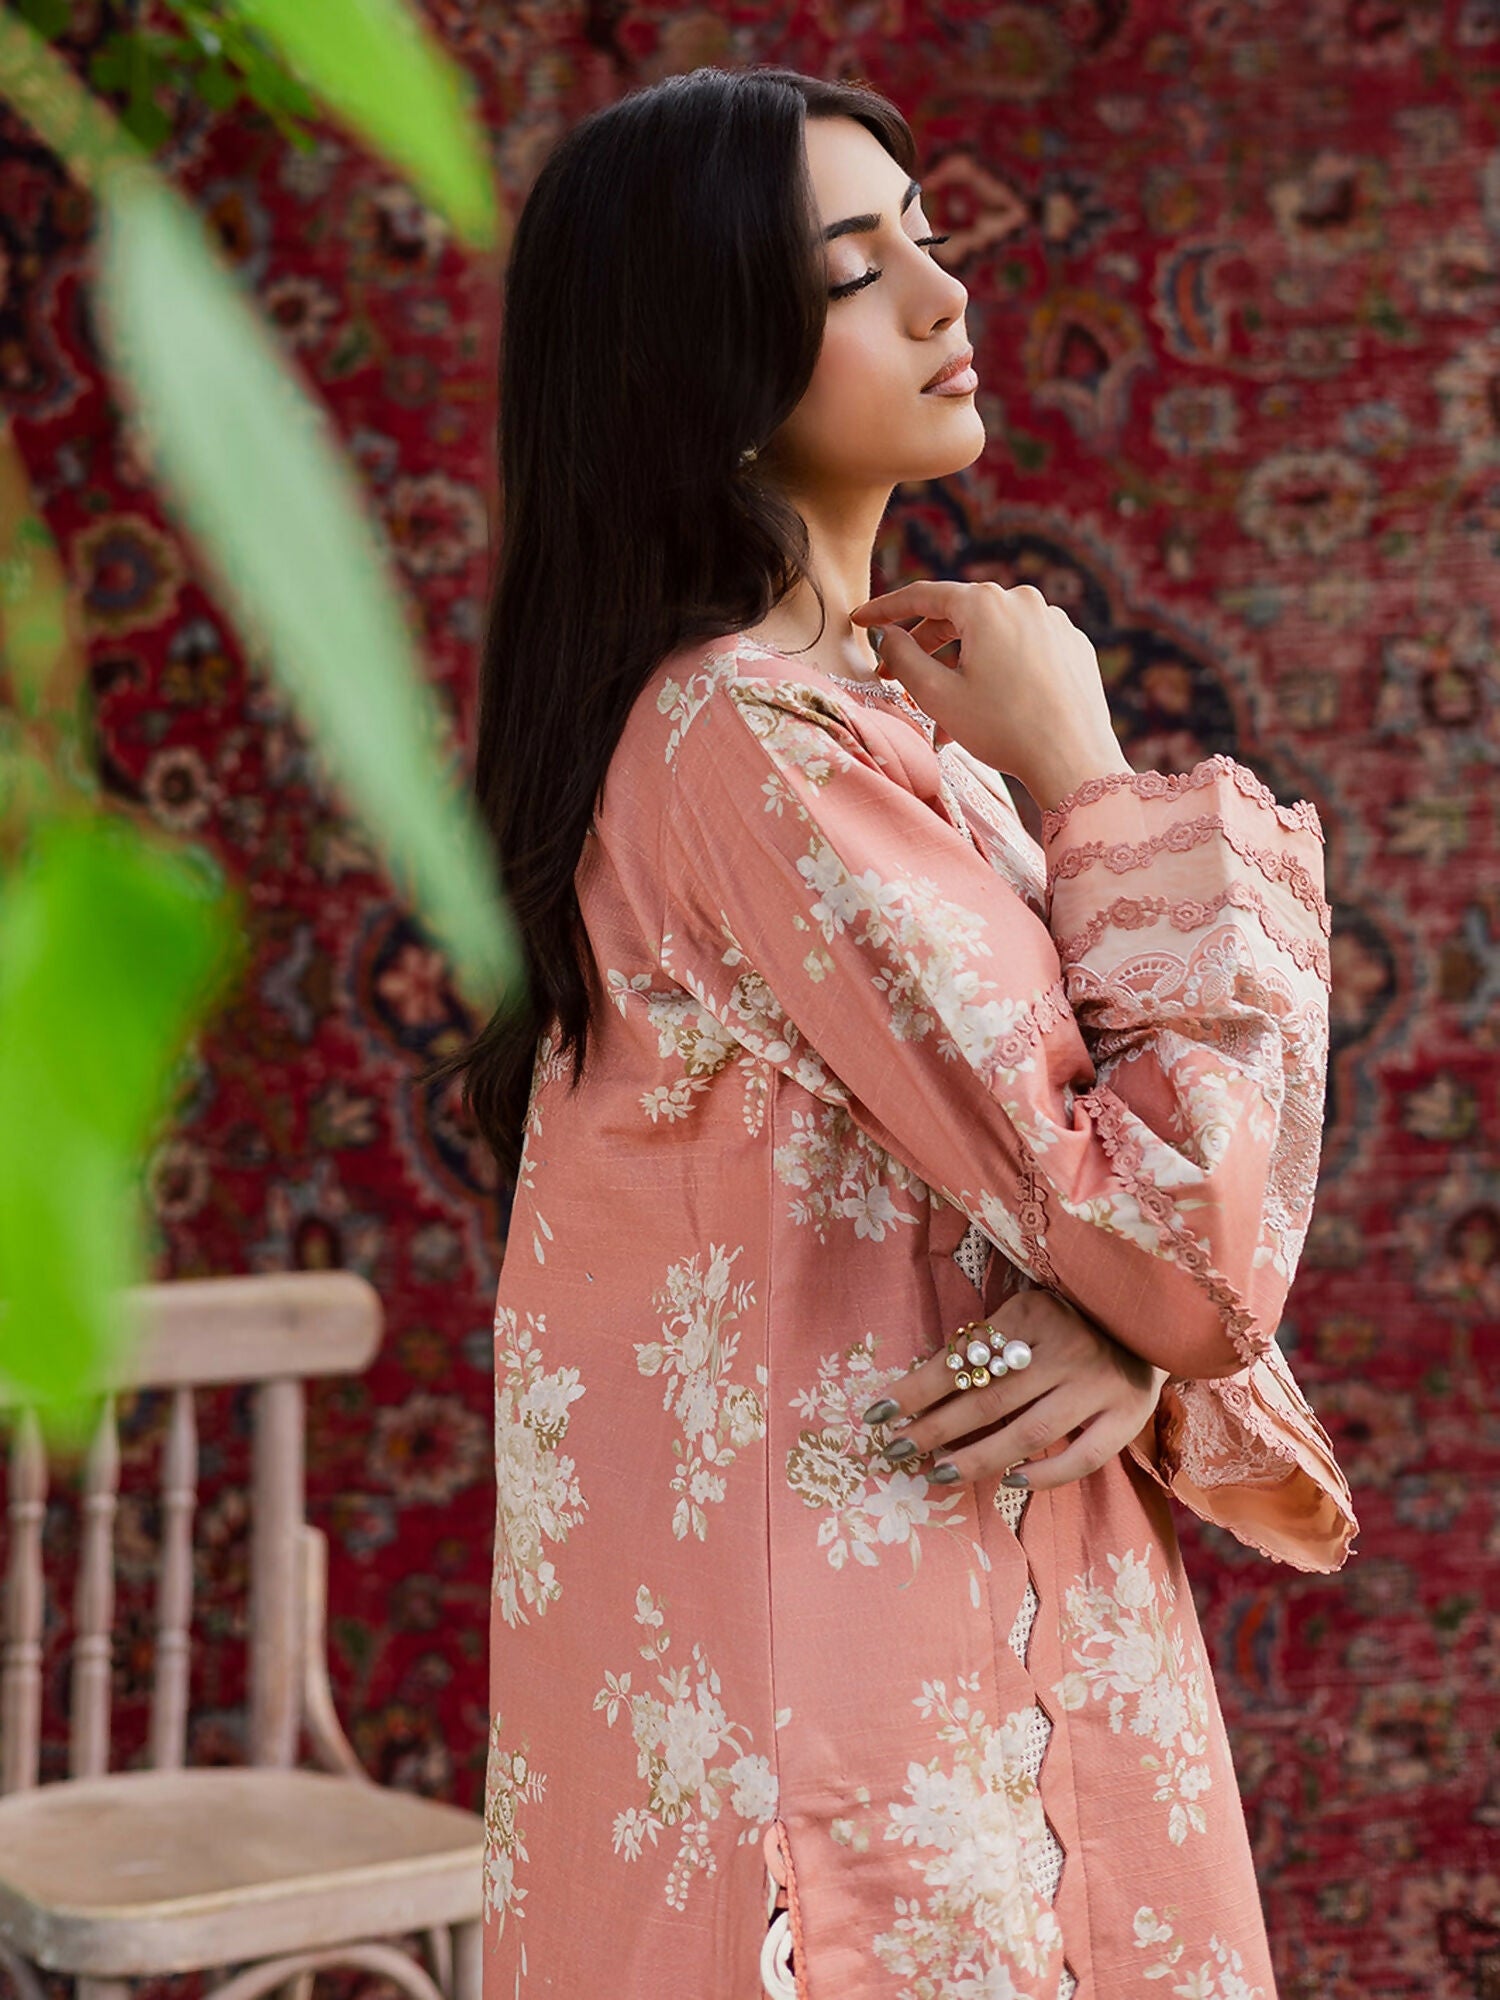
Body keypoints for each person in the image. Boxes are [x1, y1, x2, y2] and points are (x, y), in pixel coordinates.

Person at [443, 62, 1357, 2000]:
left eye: (927, 240)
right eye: (860, 270)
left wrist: (1128, 1318)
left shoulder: (840, 733)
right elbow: (1187, 1229)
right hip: (882, 1723)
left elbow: (1119, 1222)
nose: (948, 295)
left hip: (945, 1643)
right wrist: (1095, 773)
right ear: (704, 360)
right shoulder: (754, 740)